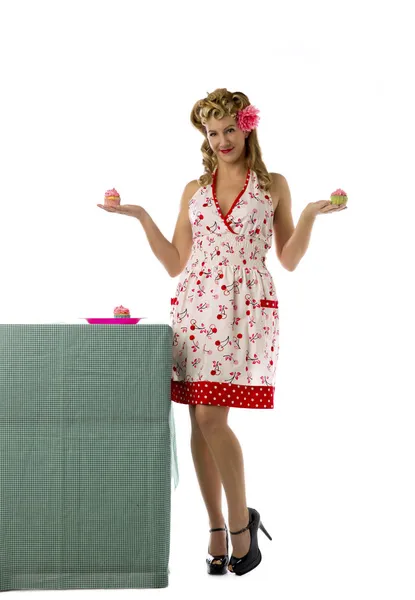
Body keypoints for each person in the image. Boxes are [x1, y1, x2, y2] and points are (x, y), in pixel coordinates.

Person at [97, 88, 347, 576]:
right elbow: (175, 263)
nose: (221, 140)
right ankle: (217, 527)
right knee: (198, 419)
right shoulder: (194, 190)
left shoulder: (272, 184)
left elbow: (289, 259)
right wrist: (141, 217)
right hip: (195, 308)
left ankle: (240, 526)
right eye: (212, 133)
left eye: (229, 128)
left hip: (242, 313)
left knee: (212, 419)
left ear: (246, 127)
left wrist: (312, 216)